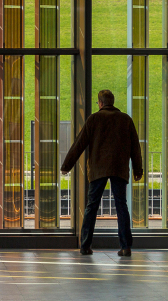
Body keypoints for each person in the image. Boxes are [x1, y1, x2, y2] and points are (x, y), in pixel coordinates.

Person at [61, 89, 144, 257]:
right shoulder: (126, 120)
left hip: (98, 169)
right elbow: (136, 146)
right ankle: (126, 246)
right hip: (119, 168)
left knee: (92, 206)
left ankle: (85, 246)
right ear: (112, 102)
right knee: (121, 205)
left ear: (100, 103)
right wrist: (138, 169)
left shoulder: (94, 119)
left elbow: (79, 143)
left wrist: (66, 165)